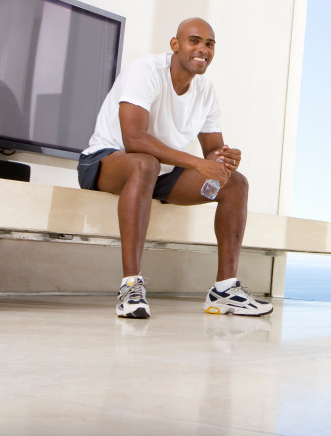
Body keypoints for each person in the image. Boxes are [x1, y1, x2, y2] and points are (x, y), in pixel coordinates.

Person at [78, 18, 271, 319]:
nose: (202, 49)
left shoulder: (206, 92)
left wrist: (225, 159)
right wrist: (196, 162)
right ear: (175, 44)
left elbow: (212, 151)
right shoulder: (146, 71)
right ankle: (131, 286)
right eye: (194, 40)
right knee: (144, 164)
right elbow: (134, 139)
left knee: (236, 184)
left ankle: (224, 290)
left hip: (161, 173)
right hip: (106, 161)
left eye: (209, 44)